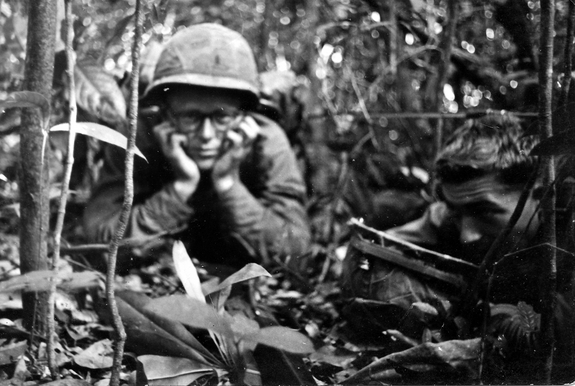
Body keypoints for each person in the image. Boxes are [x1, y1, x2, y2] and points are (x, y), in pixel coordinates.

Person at [341, 114, 575, 383]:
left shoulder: (568, 225)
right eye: (455, 211)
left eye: (485, 212)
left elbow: (557, 339)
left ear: (541, 195)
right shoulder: (449, 214)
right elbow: (371, 251)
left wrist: (493, 317)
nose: (466, 233)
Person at [83, 23, 311, 275]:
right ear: (165, 113)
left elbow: (295, 252)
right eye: (190, 117)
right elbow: (97, 240)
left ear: (244, 116)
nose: (206, 135)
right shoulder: (139, 137)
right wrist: (180, 188)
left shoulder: (267, 141)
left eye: (222, 117)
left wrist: (228, 183)